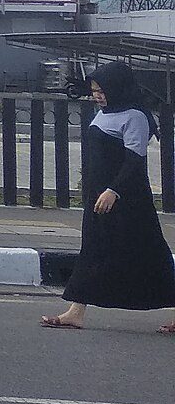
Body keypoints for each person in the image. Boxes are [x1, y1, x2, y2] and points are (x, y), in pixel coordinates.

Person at [42, 59, 175, 331]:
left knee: (149, 253)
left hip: (127, 199)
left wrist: (113, 191)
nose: (97, 96)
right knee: (92, 249)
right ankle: (76, 310)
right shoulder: (104, 113)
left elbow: (134, 161)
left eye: (101, 91)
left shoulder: (135, 116)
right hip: (98, 195)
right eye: (94, 91)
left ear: (118, 87)